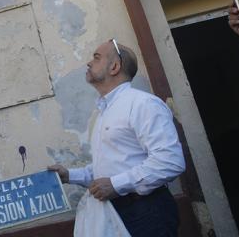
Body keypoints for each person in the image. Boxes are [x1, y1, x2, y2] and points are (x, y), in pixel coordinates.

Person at [48, 40, 185, 237]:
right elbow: (110, 169)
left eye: (96, 58)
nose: (88, 63)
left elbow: (170, 162)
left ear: (114, 67)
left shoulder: (143, 104)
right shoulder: (104, 112)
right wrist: (69, 175)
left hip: (146, 213)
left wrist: (116, 184)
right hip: (116, 213)